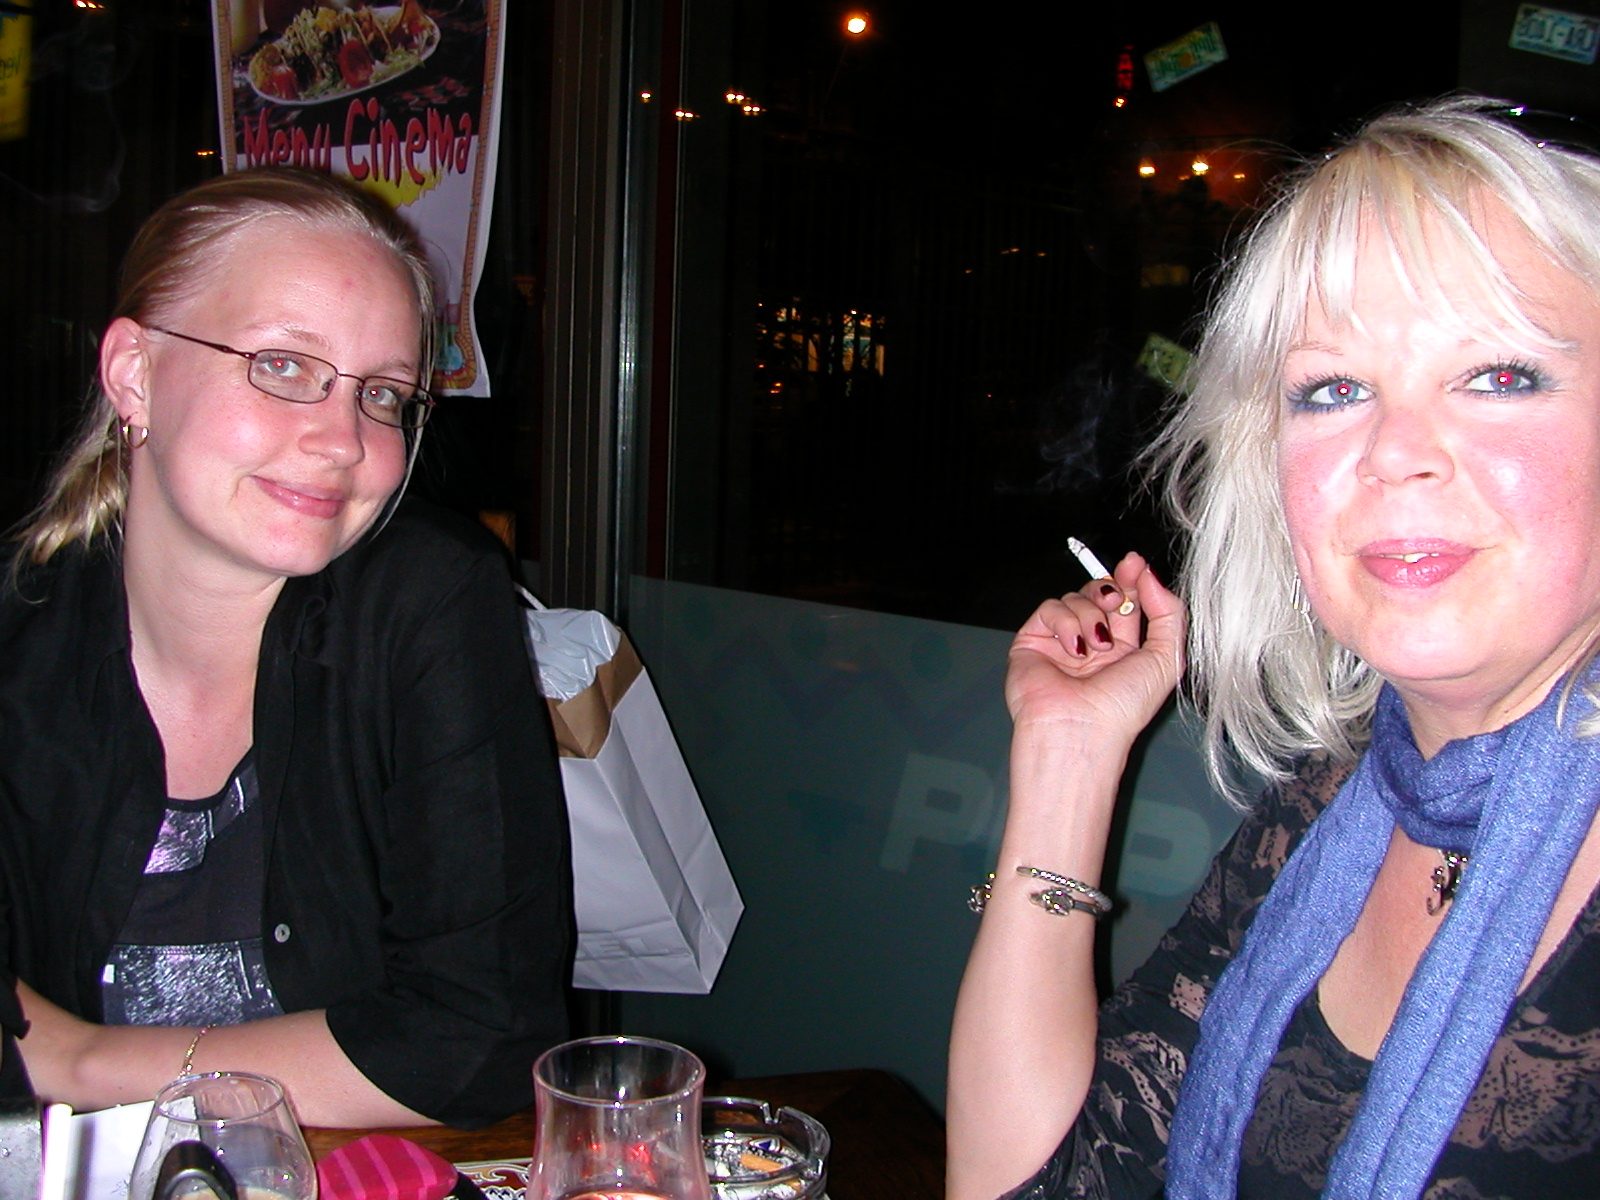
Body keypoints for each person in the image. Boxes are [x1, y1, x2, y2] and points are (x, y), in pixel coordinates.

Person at [947, 96, 1600, 1199]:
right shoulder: (1326, 810)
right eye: (1335, 390)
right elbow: (1036, 1184)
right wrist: (1068, 757)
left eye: (1499, 374)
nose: (1393, 451)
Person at [0, 168, 571, 1129]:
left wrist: (82, 1060)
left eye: (382, 393)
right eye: (283, 365)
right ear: (134, 373)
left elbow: (483, 1039)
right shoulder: (22, 629)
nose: (343, 439)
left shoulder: (428, 600)